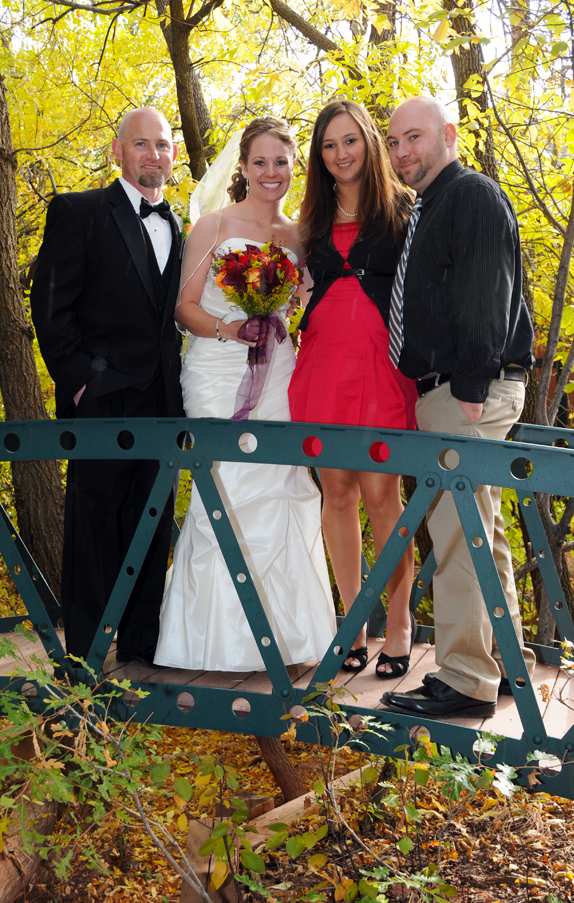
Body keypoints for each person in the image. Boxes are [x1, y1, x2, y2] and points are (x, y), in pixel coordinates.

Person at [154, 117, 336, 671]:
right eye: (260, 162)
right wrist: (231, 328)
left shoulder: (301, 234)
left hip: (278, 369)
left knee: (283, 485)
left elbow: (308, 305)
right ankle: (211, 643)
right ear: (243, 167)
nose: (271, 172)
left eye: (281, 161)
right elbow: (184, 309)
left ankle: (290, 639)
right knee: (225, 488)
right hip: (216, 366)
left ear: (295, 166)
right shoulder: (213, 225)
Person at [380, 95, 537, 718]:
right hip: (453, 390)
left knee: (455, 536)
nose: (402, 152)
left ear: (448, 134)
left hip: (466, 391)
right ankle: (504, 664)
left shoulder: (469, 194)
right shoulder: (433, 205)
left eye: (414, 137)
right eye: (394, 142)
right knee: (480, 532)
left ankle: (467, 679)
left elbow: (486, 291)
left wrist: (470, 387)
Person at [31, 107, 184, 668]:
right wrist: (79, 384)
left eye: (161, 145)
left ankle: (142, 644)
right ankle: (86, 653)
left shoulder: (179, 224)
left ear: (173, 154)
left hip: (163, 400)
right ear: (117, 151)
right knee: (94, 522)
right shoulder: (78, 211)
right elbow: (50, 305)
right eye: (141, 144)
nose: (153, 155)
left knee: (152, 521)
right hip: (100, 397)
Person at [287, 99, 418, 679]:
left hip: (380, 367)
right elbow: (293, 291)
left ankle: (400, 623)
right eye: (328, 145)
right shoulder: (310, 220)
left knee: (382, 497)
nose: (340, 154)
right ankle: (354, 624)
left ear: (369, 141)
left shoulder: (404, 210)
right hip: (321, 366)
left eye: (350, 141)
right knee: (336, 495)